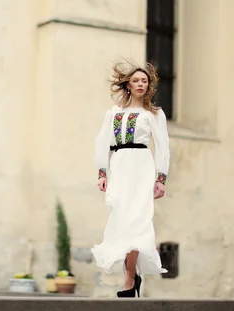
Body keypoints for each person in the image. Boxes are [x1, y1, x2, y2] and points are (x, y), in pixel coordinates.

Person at [91, 61, 170, 298]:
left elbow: (163, 147)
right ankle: (132, 277)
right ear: (127, 84)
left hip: (142, 166)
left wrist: (160, 178)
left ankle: (128, 281)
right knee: (121, 219)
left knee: (138, 220)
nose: (140, 84)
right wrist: (102, 172)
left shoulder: (154, 114)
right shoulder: (114, 113)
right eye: (135, 80)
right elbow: (102, 143)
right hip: (120, 165)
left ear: (149, 86)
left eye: (144, 81)